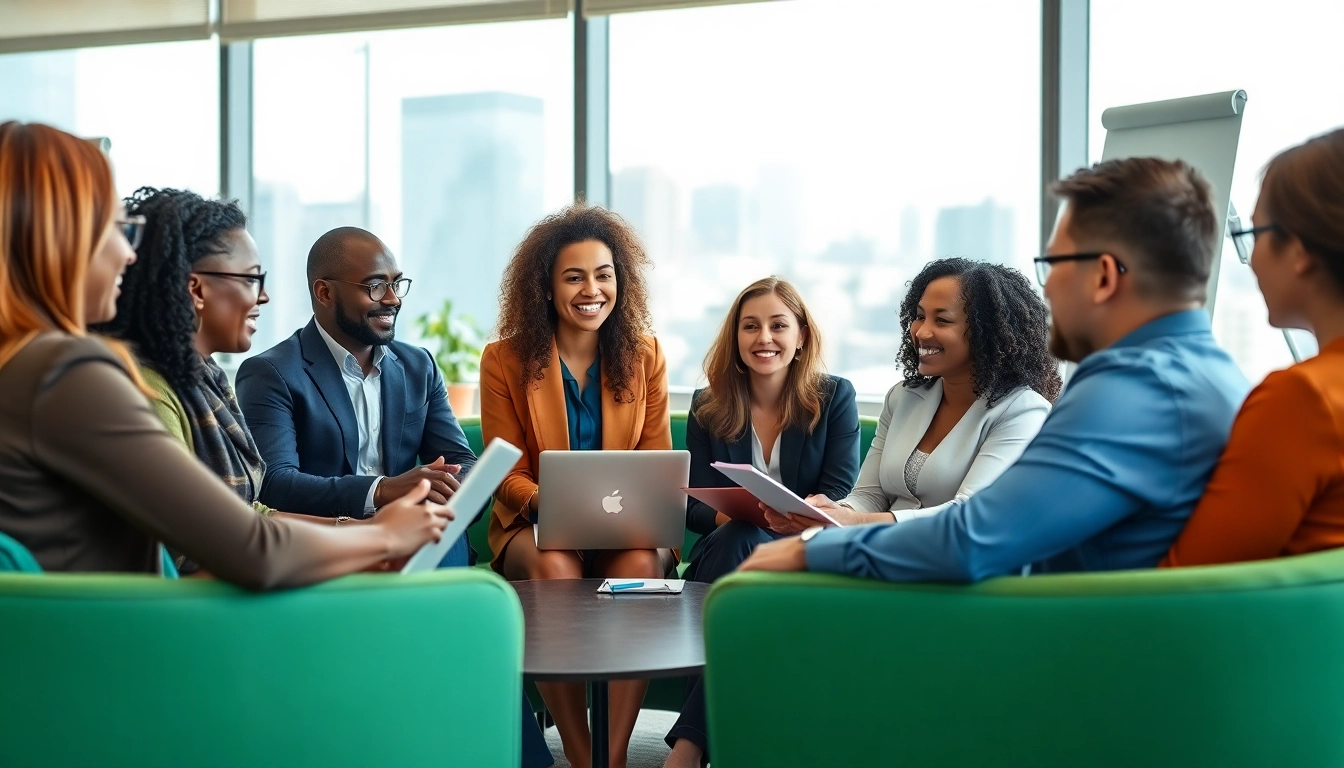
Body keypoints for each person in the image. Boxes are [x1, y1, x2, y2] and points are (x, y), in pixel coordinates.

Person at [740, 156, 1251, 581]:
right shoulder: (1213, 377)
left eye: (1054, 266)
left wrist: (813, 550)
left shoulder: (1129, 392)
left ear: (1102, 276)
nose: (1046, 290)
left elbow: (975, 537)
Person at [0, 121, 447, 586]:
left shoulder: (27, 364)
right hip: (128, 643)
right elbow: (252, 551)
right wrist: (385, 537)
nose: (127, 254)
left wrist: (359, 532)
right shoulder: (68, 373)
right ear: (58, 237)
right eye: (117, 228)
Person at [480, 203, 669, 768]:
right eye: (574, 276)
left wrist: (634, 509)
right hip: (534, 526)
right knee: (556, 565)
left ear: (620, 280)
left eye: (604, 274)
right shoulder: (505, 361)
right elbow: (504, 473)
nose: (592, 289)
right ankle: (581, 756)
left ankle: (611, 758)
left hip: (624, 526)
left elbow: (656, 459)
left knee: (640, 562)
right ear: (546, 287)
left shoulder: (644, 356)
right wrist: (549, 503)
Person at [662, 276, 860, 768]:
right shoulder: (709, 406)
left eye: (777, 326)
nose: (763, 338)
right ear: (735, 339)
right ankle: (712, 741)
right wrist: (731, 511)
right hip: (729, 543)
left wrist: (794, 518)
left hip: (803, 550)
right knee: (738, 535)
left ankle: (691, 747)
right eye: (750, 327)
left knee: (744, 548)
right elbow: (692, 508)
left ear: (801, 338)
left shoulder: (834, 397)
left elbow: (841, 492)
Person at [762, 258, 1059, 544]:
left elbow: (969, 515)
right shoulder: (903, 397)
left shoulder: (1024, 412)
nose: (921, 331)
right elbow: (868, 494)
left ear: (987, 335)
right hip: (881, 550)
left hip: (954, 568)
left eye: (942, 320)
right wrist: (832, 513)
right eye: (919, 316)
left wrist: (857, 523)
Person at [236, 227, 478, 567]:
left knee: (440, 529)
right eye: (376, 286)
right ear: (324, 293)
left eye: (397, 284)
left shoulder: (417, 365)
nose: (393, 298)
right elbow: (275, 483)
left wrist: (439, 490)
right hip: (330, 540)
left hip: (412, 532)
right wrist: (382, 490)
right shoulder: (270, 373)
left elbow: (460, 459)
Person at [1163, 128, 1344, 567]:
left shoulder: (1304, 400)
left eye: (1256, 234)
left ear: (1299, 251)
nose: (1252, 258)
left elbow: (1191, 584)